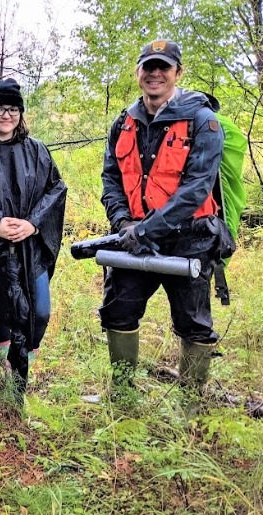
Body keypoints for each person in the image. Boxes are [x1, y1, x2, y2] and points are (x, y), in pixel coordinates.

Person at [99, 40, 225, 403]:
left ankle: (190, 403)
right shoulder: (124, 121)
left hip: (190, 239)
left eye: (164, 67)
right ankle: (122, 395)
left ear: (177, 73)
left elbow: (196, 189)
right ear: (138, 72)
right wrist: (124, 222)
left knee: (194, 323)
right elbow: (111, 178)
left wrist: (145, 230)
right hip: (132, 238)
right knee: (118, 312)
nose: (155, 73)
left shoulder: (203, 121)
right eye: (148, 66)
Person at [0, 78, 67, 405]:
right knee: (1, 309)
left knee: (39, 310)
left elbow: (55, 190)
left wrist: (33, 223)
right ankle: (10, 380)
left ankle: (22, 364)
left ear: (21, 113)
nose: (6, 115)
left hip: (30, 245)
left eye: (13, 109)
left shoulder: (37, 150)